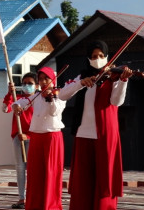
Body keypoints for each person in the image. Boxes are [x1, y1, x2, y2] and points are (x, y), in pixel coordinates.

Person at [58, 40, 133, 210]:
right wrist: (81, 83)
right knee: (83, 180)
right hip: (83, 134)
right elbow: (62, 95)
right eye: (93, 56)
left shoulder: (113, 77)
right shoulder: (83, 76)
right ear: (88, 58)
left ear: (107, 57)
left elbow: (116, 101)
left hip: (105, 135)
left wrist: (122, 81)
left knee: (104, 179)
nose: (97, 59)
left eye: (101, 56)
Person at [12, 67, 66, 210]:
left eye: (46, 79)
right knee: (35, 173)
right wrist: (16, 105)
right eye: (40, 79)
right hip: (36, 138)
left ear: (52, 80)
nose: (42, 82)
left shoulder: (59, 95)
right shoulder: (36, 96)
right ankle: (35, 204)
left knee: (50, 172)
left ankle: (50, 205)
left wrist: (50, 97)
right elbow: (22, 102)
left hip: (51, 139)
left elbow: (55, 112)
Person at [2, 72, 37, 209]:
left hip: (32, 136)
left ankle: (32, 197)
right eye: (24, 83)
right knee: (20, 168)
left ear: (36, 85)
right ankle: (22, 198)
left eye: (30, 83)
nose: (27, 86)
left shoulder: (39, 99)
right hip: (17, 136)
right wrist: (9, 94)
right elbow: (5, 109)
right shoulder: (18, 98)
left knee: (31, 168)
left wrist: (28, 136)